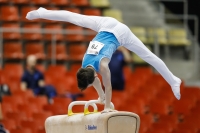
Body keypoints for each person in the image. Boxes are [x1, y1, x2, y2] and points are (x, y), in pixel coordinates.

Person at [26, 8, 181, 113]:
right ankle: (42, 13)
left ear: (93, 75)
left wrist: (107, 106)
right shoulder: (84, 65)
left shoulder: (103, 66)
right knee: (73, 17)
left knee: (148, 56)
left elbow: (108, 86)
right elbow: (96, 82)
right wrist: (100, 97)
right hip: (106, 24)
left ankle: (174, 80)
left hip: (121, 34)